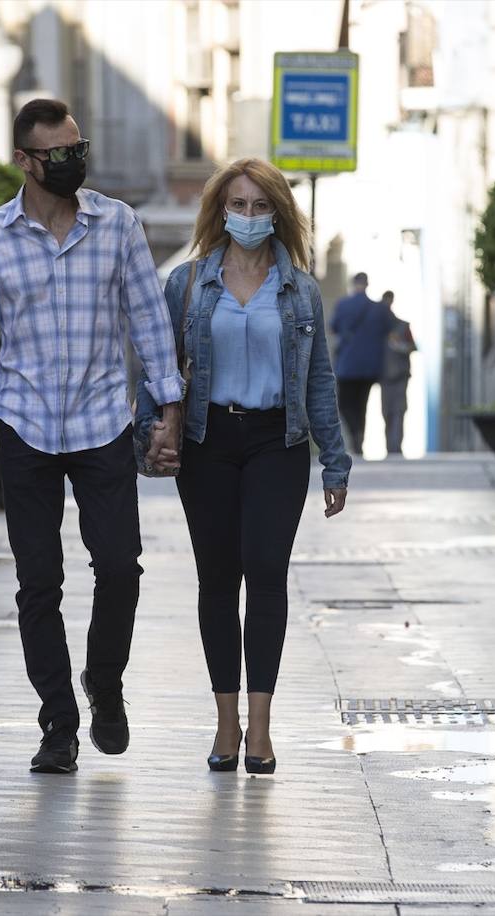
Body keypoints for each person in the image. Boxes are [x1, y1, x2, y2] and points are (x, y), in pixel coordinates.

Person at [0, 99, 185, 774]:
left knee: (118, 566)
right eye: (58, 154)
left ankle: (104, 682)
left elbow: (147, 323)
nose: (73, 162)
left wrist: (168, 414)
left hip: (102, 418)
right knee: (38, 583)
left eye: (78, 148)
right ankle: (58, 724)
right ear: (24, 160)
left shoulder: (118, 225)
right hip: (24, 424)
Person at [135, 158, 351, 775]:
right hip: (208, 440)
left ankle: (260, 726)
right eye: (239, 205)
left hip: (276, 443)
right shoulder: (189, 282)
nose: (249, 217)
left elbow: (318, 381)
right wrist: (150, 433)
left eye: (261, 207)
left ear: (277, 213)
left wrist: (335, 462)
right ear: (220, 211)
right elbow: (157, 363)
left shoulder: (301, 289)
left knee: (265, 570)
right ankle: (225, 721)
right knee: (217, 577)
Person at [330, 272, 391, 454]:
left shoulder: (343, 305)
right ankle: (359, 438)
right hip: (370, 367)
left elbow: (333, 327)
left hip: (348, 365)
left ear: (353, 284)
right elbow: (388, 329)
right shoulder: (379, 309)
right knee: (362, 404)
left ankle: (355, 431)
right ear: (367, 284)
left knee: (345, 404)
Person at [379, 290, 416, 457]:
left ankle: (396, 447)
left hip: (400, 375)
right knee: (387, 411)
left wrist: (399, 345)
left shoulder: (403, 325)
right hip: (384, 376)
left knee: (399, 410)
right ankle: (390, 446)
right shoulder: (378, 330)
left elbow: (412, 347)